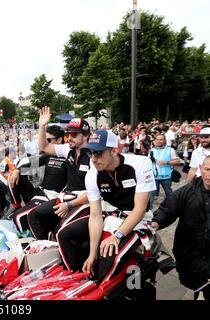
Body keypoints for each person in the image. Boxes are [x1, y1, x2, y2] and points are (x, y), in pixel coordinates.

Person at [57, 130, 156, 283]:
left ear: (114, 151)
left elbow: (140, 210)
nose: (93, 159)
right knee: (64, 234)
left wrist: (116, 236)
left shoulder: (141, 163)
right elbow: (95, 215)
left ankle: (103, 288)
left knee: (109, 260)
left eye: (98, 153)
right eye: (90, 153)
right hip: (108, 213)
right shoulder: (92, 174)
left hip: (135, 218)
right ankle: (81, 281)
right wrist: (92, 254)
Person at [26, 108, 92, 240]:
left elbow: (94, 193)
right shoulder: (68, 149)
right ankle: (45, 247)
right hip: (66, 197)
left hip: (85, 202)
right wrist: (42, 126)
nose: (69, 138)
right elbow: (44, 147)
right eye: (68, 134)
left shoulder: (94, 157)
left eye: (74, 134)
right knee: (33, 216)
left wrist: (68, 205)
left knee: (60, 231)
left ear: (85, 135)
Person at [152, 155, 210, 300]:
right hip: (191, 252)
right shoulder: (187, 191)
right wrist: (156, 222)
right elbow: (168, 210)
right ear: (200, 169)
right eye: (207, 169)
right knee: (199, 285)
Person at [148, 134, 180, 209]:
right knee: (151, 194)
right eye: (157, 139)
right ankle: (148, 211)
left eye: (161, 139)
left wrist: (167, 162)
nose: (159, 141)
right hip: (155, 176)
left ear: (164, 140)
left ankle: (172, 208)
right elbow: (148, 162)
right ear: (155, 141)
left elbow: (178, 161)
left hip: (166, 177)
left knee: (169, 193)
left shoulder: (170, 149)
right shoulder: (152, 150)